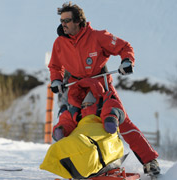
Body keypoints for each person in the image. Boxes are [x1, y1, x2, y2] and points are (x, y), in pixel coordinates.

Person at [48, 2, 160, 175]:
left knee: (121, 121)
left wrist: (126, 61)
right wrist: (56, 80)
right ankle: (83, 165)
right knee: (73, 122)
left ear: (78, 21)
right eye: (61, 20)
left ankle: (150, 162)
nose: (63, 24)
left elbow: (124, 47)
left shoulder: (98, 36)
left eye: (67, 20)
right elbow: (55, 66)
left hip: (101, 84)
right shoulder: (59, 43)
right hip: (77, 89)